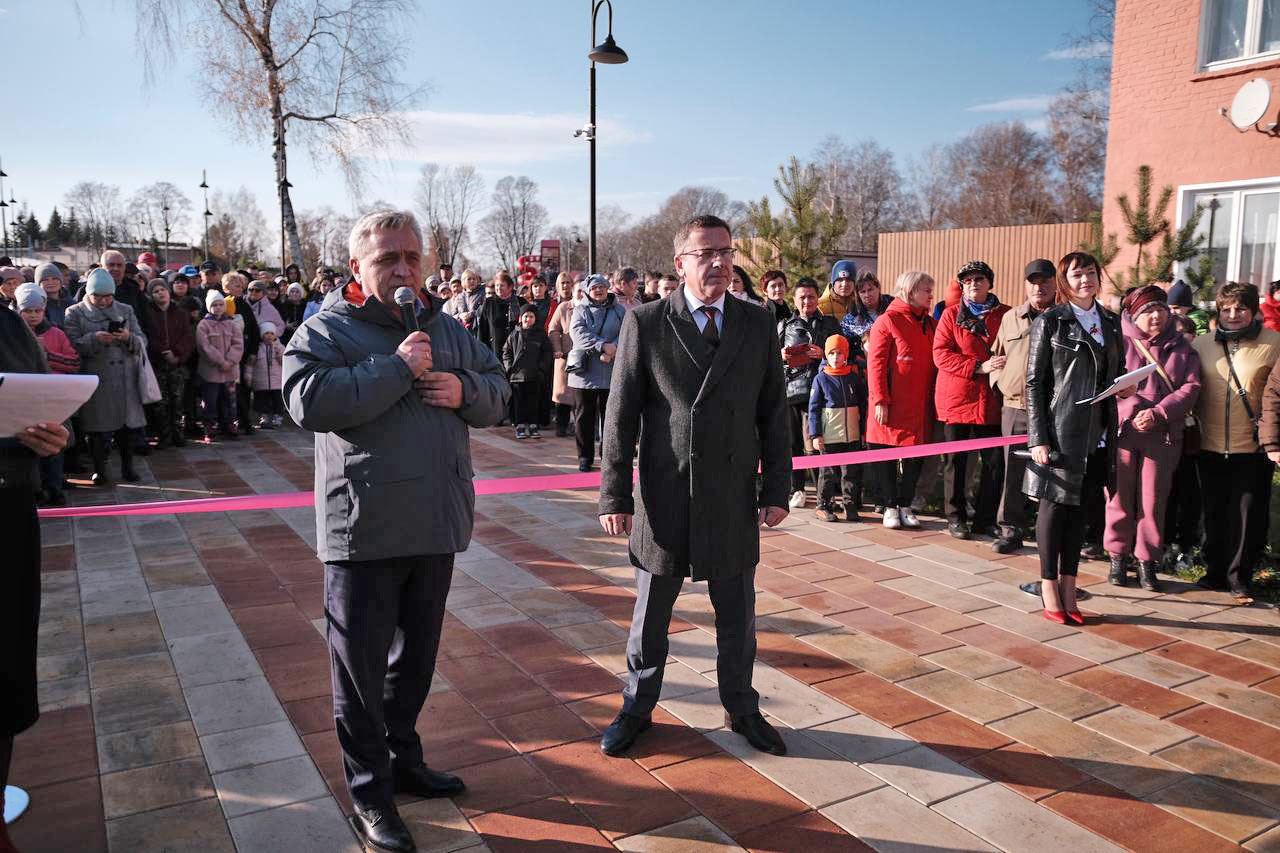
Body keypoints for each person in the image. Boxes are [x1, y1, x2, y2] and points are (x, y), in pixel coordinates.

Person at [284, 210, 508, 853]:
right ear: (359, 267)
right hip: (364, 531)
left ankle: (403, 759)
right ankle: (370, 792)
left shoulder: (448, 327)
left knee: (413, 663)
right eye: (387, 259)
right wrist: (397, 369)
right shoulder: (326, 329)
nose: (404, 269)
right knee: (357, 671)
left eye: (412, 256)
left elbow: (498, 392)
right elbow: (309, 401)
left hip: (435, 523)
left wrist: (461, 388)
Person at [598, 213, 791, 759]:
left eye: (726, 252)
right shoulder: (648, 322)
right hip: (664, 494)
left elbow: (773, 413)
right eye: (706, 253)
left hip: (730, 495)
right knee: (651, 618)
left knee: (737, 616)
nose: (719, 262)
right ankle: (636, 708)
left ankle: (742, 708)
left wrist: (777, 488)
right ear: (680, 262)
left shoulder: (757, 322)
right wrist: (615, 495)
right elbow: (621, 415)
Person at [0, 303, 70, 853]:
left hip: (6, 509)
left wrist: (49, 429)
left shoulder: (4, 319)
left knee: (4, 668)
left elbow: (32, 387)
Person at [1024, 252, 1126, 624]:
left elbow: (1116, 371)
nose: (1085, 280)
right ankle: (1049, 585)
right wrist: (1039, 437)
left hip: (1098, 434)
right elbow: (1035, 383)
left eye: (1090, 273)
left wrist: (1126, 387)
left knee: (1080, 511)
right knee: (1054, 510)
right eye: (1076, 274)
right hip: (1061, 431)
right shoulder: (1052, 321)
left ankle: (1070, 585)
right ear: (1066, 281)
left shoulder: (1112, 322)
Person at [1103, 285, 1201, 592]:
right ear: (1133, 316)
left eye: (1159, 308)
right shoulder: (1117, 343)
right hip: (1124, 432)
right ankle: (1117, 556)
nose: (1155, 316)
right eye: (1146, 311)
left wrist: (1158, 413)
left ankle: (1147, 561)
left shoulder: (1183, 348)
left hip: (1163, 436)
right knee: (1118, 498)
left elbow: (1191, 388)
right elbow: (1106, 385)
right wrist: (1131, 410)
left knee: (1153, 501)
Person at [1198, 282, 1280, 604]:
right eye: (1226, 309)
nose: (1233, 315)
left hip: (1253, 445)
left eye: (1241, 308)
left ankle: (1240, 577)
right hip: (1209, 443)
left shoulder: (1274, 343)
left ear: (1254, 311)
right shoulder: (1201, 345)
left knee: (1248, 514)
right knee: (1214, 510)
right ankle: (1215, 572)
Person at [932, 260, 1010, 540]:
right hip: (957, 399)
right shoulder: (951, 316)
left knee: (993, 463)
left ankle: (985, 519)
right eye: (967, 280)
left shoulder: (1006, 314)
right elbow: (940, 354)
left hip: (992, 400)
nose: (973, 283)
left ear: (990, 282)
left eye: (979, 278)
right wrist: (979, 366)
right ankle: (955, 517)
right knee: (956, 462)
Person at [989, 259, 1057, 553]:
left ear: (1055, 284)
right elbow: (996, 355)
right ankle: (1010, 530)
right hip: (1014, 407)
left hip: (1052, 410)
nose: (1038, 287)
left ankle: (1048, 531)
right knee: (1011, 472)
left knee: (1052, 471)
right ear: (1025, 284)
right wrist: (998, 383)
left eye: (1044, 281)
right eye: (1032, 281)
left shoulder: (1064, 317)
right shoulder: (1011, 318)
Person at [866, 271, 937, 530]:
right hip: (891, 402)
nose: (931, 294)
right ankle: (889, 505)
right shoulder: (888, 321)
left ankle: (905, 504)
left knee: (915, 455)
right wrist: (880, 400)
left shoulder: (929, 323)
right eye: (926, 290)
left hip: (920, 404)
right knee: (884, 452)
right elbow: (875, 365)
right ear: (910, 291)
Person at [63, 268, 148, 485]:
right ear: (88, 293)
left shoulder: (125, 310)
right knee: (97, 430)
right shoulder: (74, 312)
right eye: (97, 296)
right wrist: (94, 339)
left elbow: (142, 340)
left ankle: (128, 468)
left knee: (126, 429)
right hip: (96, 378)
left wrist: (129, 337)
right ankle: (99, 471)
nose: (103, 301)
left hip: (124, 378)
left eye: (108, 296)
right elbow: (71, 344)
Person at [779, 278, 841, 508]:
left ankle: (824, 491)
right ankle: (798, 488)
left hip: (823, 391)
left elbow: (842, 352)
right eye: (802, 297)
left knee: (818, 444)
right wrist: (782, 355)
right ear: (794, 300)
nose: (807, 301)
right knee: (794, 442)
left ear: (818, 298)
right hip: (793, 391)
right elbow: (770, 357)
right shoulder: (785, 325)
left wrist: (823, 354)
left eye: (811, 296)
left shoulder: (830, 324)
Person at [15, 283, 78, 506]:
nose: (33, 316)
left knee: (53, 442)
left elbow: (73, 363)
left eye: (37, 310)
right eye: (27, 311)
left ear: (44, 310)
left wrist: (48, 355)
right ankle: (36, 487)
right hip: (22, 399)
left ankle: (55, 485)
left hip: (52, 398)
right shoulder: (12, 337)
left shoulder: (56, 334)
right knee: (29, 444)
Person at [568, 274, 626, 471]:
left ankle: (608, 456)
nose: (599, 290)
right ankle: (585, 457)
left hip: (612, 370)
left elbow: (628, 331)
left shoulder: (619, 310)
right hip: (585, 373)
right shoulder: (580, 310)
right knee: (584, 417)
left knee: (611, 417)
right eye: (594, 287)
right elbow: (578, 334)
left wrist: (614, 349)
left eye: (602, 286)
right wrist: (602, 346)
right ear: (587, 291)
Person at [809, 334, 867, 522]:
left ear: (846, 355)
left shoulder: (854, 377)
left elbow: (862, 404)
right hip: (829, 436)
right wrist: (816, 434)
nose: (836, 357)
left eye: (840, 353)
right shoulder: (820, 379)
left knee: (851, 472)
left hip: (852, 436)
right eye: (832, 353)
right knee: (828, 472)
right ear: (826, 355)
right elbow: (814, 409)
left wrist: (863, 431)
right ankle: (823, 505)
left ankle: (850, 505)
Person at [1163, 312, 1204, 570]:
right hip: (1165, 435)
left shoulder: (1199, 360)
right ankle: (1164, 545)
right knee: (1166, 495)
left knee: (1191, 495)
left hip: (1193, 438)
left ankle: (1187, 546)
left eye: (1188, 340)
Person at [141, 278, 196, 448]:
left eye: (162, 289)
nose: (160, 293)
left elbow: (187, 337)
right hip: (157, 363)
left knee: (177, 400)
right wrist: (163, 352)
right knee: (161, 403)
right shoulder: (148, 313)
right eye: (156, 291)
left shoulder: (180, 312)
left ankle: (178, 433)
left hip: (177, 364)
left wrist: (177, 354)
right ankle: (164, 435)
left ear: (168, 291)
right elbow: (149, 336)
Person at [196, 290, 245, 441]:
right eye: (214, 305)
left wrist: (230, 361)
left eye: (220, 304)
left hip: (230, 371)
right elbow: (204, 347)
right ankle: (209, 427)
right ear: (208, 307)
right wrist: (220, 361)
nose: (218, 307)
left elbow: (238, 344)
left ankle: (228, 425)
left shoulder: (231, 324)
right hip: (211, 371)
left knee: (229, 400)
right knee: (210, 401)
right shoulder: (203, 325)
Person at [503, 303, 553, 439]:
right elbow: (506, 352)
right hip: (517, 376)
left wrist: (542, 369)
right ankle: (519, 425)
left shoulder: (541, 335)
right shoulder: (514, 334)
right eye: (526, 316)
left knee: (533, 402)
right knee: (519, 402)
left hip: (534, 375)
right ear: (521, 318)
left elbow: (547, 353)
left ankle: (533, 425)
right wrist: (509, 367)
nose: (528, 319)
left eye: (531, 316)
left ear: (535, 318)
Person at [222, 272, 262, 434]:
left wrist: (252, 352)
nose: (241, 289)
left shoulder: (244, 305)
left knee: (245, 389)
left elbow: (253, 330)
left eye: (241, 285)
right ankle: (233, 421)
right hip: (228, 357)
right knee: (232, 391)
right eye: (236, 286)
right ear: (227, 288)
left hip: (244, 355)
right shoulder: (222, 304)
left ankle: (245, 421)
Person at [547, 273, 579, 437]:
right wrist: (558, 348)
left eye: (569, 283)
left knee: (580, 395)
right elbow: (553, 329)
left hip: (582, 356)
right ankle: (561, 426)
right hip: (565, 356)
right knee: (562, 395)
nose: (566, 286)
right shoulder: (562, 307)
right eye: (563, 283)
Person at [250, 321, 287, 429]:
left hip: (276, 380)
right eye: (266, 333)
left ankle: (278, 416)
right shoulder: (258, 348)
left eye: (272, 333)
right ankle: (263, 417)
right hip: (261, 380)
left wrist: (277, 348)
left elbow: (284, 360)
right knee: (262, 400)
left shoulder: (279, 346)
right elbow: (250, 363)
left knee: (277, 400)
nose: (269, 336)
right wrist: (249, 376)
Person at [478, 272, 523, 359]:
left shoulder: (520, 302)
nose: (498, 288)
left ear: (510, 287)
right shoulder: (489, 303)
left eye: (502, 285)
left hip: (516, 348)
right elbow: (483, 328)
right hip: (495, 349)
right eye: (497, 285)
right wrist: (482, 349)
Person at [840, 270, 893, 344]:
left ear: (878, 288)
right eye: (863, 292)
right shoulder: (850, 320)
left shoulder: (893, 311)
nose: (867, 295)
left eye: (870, 290)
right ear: (858, 295)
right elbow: (845, 345)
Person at [444, 269, 486, 333]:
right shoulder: (459, 297)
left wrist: (472, 314)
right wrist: (460, 315)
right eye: (469, 279)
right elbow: (452, 316)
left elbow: (486, 310)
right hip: (463, 332)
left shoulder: (483, 293)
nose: (472, 281)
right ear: (463, 282)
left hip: (479, 330)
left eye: (474, 279)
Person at [35, 263, 69, 328]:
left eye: (54, 278)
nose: (50, 282)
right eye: (45, 280)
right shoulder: (36, 306)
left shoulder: (71, 302)